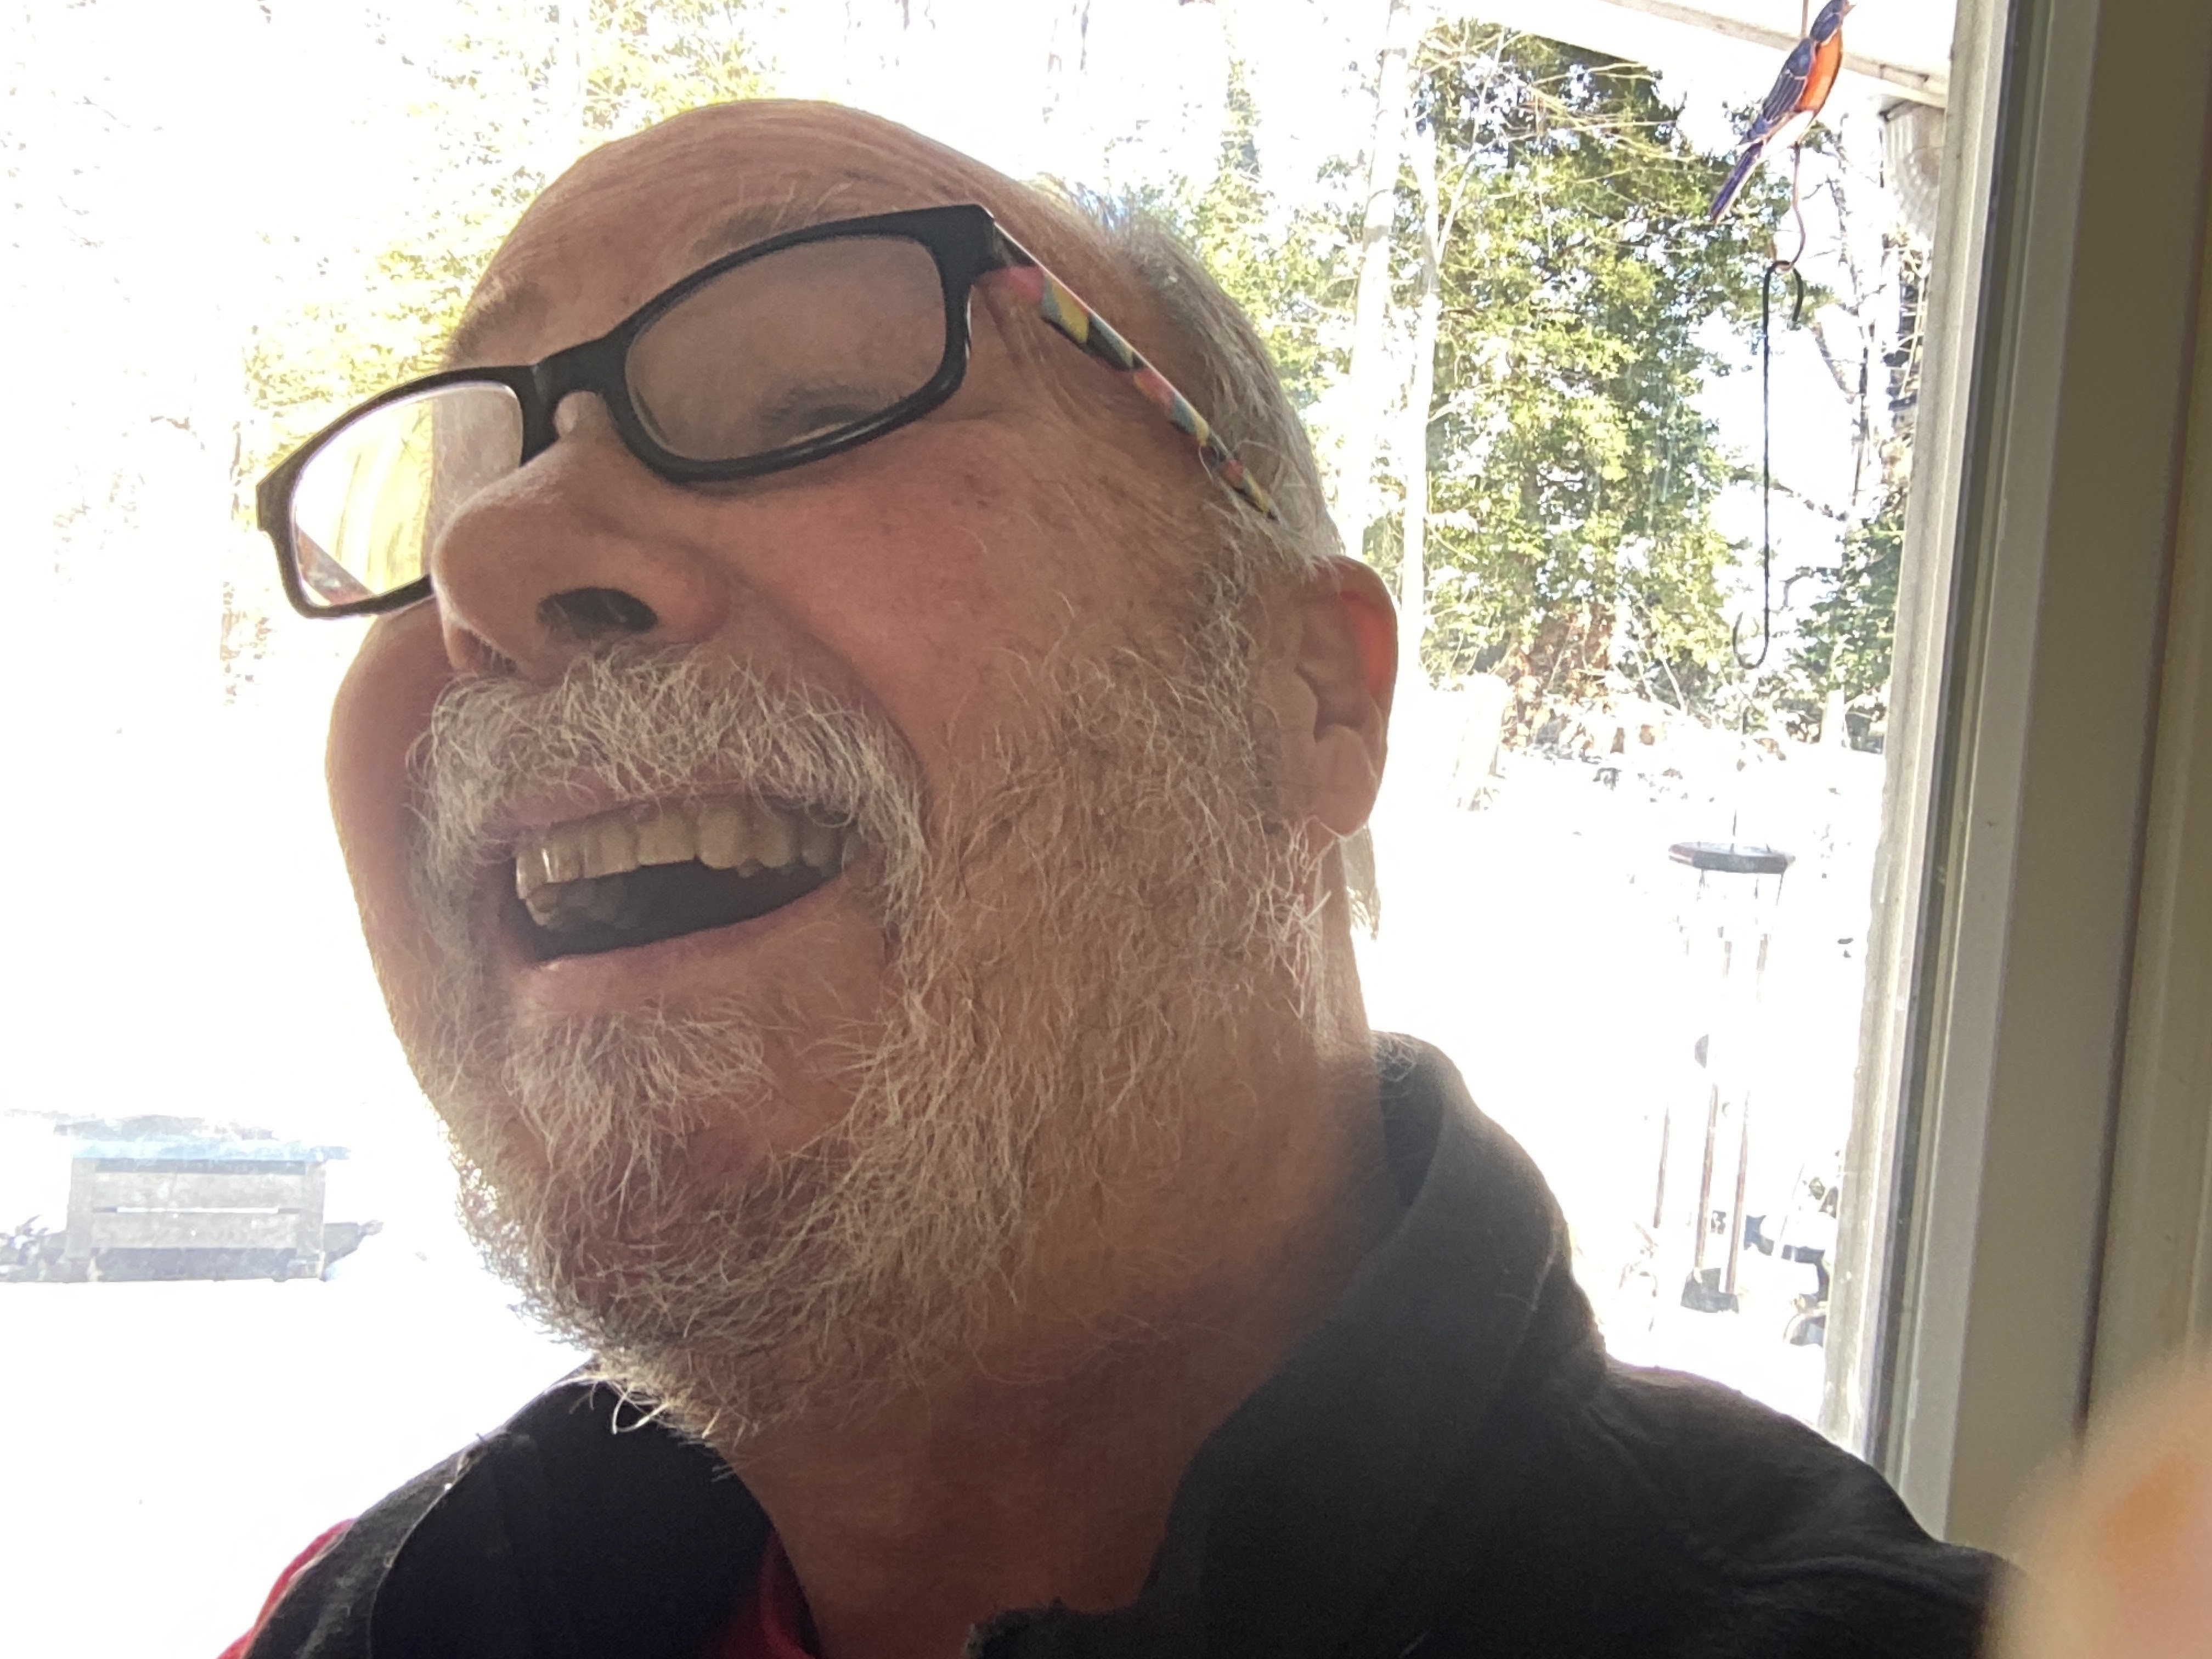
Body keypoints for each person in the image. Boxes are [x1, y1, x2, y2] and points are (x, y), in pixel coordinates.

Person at [225, 100, 1995, 1659]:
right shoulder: (364, 1617)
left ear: (1313, 700)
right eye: (458, 493)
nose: (493, 552)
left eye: (811, 401)